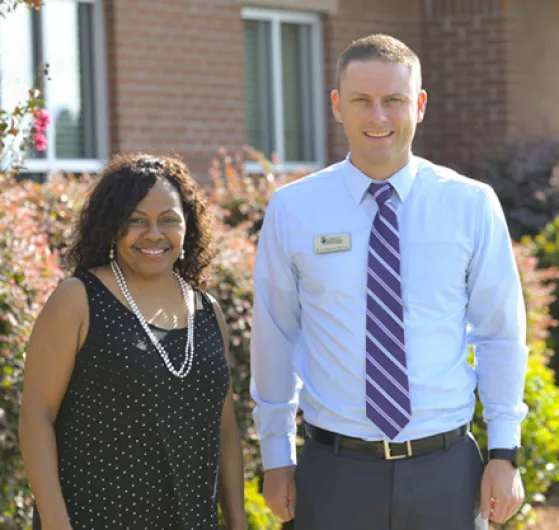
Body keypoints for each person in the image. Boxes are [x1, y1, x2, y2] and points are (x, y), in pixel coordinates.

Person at [250, 34, 527, 530]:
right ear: (337, 106)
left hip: (446, 473)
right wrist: (275, 454)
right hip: (334, 474)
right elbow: (275, 335)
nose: (378, 117)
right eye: (361, 100)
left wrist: (505, 452)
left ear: (419, 105)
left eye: (394, 100)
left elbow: (500, 333)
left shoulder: (471, 205)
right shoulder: (293, 210)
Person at [19, 154, 246, 530]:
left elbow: (225, 430)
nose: (154, 234)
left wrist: (238, 523)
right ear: (112, 226)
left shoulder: (208, 312)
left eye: (168, 220)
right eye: (136, 220)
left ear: (188, 227)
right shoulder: (77, 299)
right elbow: (36, 416)